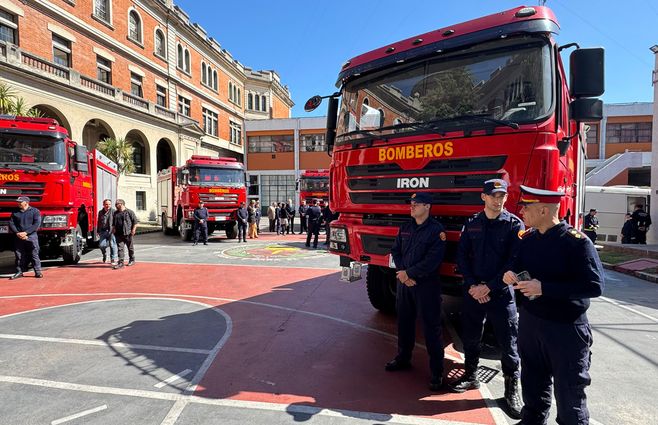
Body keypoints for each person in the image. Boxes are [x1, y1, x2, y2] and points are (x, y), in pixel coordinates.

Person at [502, 185, 604, 425]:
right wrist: (510, 274)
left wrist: (544, 288)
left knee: (570, 394)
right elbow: (516, 264)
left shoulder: (577, 243)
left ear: (544, 211)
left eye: (527, 208)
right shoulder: (528, 239)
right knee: (533, 383)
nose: (522, 213)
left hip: (565, 329)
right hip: (531, 322)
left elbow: (594, 285)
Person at [451, 179, 523, 418]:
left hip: (501, 294)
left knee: (509, 344)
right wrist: (473, 285)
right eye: (493, 195)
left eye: (502, 195)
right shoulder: (471, 223)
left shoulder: (514, 224)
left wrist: (488, 288)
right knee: (471, 336)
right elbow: (461, 257)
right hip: (473, 292)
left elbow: (514, 261)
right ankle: (471, 376)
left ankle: (511, 390)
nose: (498, 199)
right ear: (483, 197)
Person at [386, 192, 447, 392]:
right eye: (411, 204)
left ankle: (437, 372)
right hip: (405, 285)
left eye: (416, 204)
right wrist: (403, 274)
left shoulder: (437, 231)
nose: (411, 207)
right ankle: (403, 358)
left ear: (427, 206)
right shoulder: (405, 227)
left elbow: (433, 260)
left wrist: (409, 273)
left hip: (426, 287)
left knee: (431, 328)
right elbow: (396, 251)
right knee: (404, 323)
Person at [9, 196, 42, 279]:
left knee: (34, 254)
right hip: (18, 236)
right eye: (18, 202)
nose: (18, 203)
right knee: (19, 255)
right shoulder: (15, 212)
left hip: (31, 236)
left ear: (26, 203)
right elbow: (11, 223)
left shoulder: (35, 211)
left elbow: (37, 224)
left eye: (20, 202)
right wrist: (17, 233)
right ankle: (19, 272)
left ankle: (38, 272)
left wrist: (26, 233)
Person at [112, 199, 138, 269]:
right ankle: (121, 263)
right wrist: (113, 229)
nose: (116, 205)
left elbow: (135, 222)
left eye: (117, 204)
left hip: (128, 233)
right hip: (118, 234)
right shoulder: (115, 213)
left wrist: (133, 230)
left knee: (130, 248)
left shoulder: (129, 212)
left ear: (121, 204)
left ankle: (132, 259)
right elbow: (114, 223)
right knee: (120, 248)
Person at [97, 198, 117, 265]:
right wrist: (97, 231)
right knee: (101, 245)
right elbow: (99, 222)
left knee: (112, 245)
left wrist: (115, 229)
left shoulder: (114, 211)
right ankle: (104, 254)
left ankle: (112, 259)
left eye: (109, 204)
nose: (108, 205)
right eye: (106, 204)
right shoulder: (100, 212)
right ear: (103, 205)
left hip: (111, 231)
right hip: (103, 231)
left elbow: (116, 222)